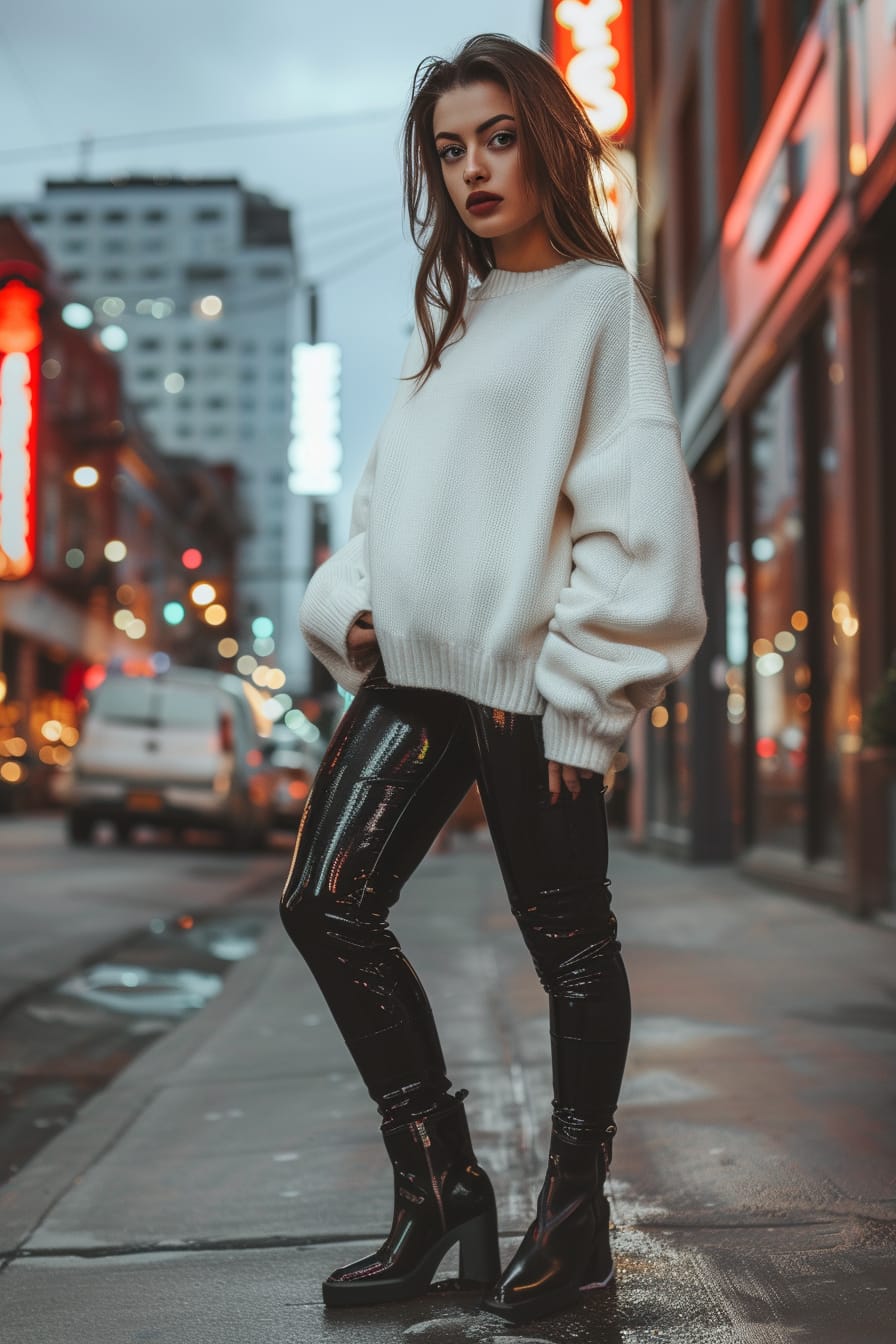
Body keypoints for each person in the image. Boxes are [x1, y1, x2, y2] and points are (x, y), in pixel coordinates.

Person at [280, 32, 708, 1326]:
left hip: (531, 677)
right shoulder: (447, 311)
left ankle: (572, 1225)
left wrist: (588, 695)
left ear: (545, 140)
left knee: (569, 946)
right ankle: (439, 1191)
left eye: (497, 138)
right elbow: (388, 500)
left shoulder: (594, 303)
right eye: (450, 149)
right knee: (326, 906)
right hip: (414, 670)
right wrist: (353, 608)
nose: (473, 169)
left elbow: (632, 514)